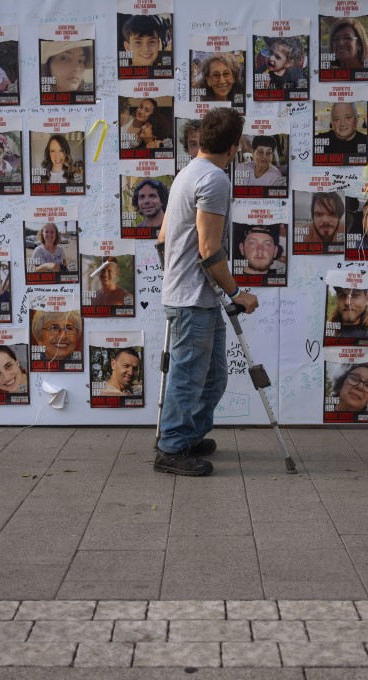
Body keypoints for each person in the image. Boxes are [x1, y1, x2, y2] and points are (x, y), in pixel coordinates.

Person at [156, 106, 256, 476]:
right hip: (192, 300)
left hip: (196, 296)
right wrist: (238, 293)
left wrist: (176, 276)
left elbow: (162, 238)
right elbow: (208, 249)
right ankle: (170, 449)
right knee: (188, 377)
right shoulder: (214, 179)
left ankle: (189, 435)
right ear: (233, 148)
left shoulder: (188, 172)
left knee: (213, 376)